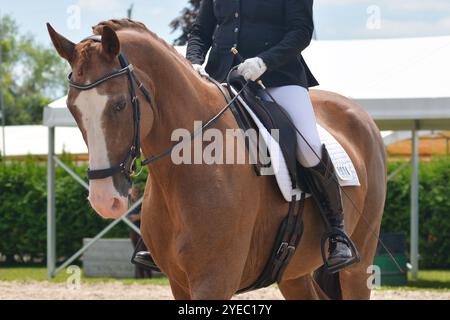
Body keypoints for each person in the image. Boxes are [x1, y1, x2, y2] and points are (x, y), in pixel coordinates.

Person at [185, 0, 353, 268]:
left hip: (278, 77)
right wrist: (193, 62)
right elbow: (200, 31)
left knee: (308, 147)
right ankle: (162, 233)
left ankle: (337, 231)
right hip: (222, 78)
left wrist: (264, 62)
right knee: (185, 141)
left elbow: (300, 31)